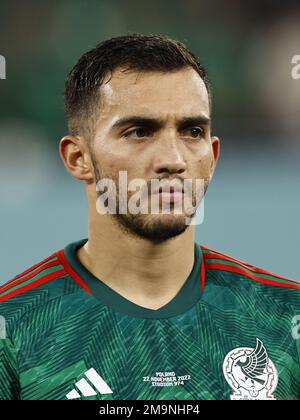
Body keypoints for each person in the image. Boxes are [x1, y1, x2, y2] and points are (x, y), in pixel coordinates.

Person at [0, 34, 299, 401]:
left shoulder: (287, 321)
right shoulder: (11, 332)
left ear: (213, 156)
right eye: (139, 132)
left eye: (192, 132)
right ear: (78, 158)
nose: (172, 160)